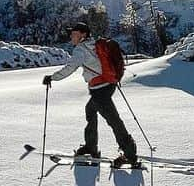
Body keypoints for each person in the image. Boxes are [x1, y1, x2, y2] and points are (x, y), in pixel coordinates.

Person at [42, 22, 140, 168]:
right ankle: (90, 146)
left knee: (114, 121)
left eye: (74, 34)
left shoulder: (80, 50)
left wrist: (52, 77)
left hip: (100, 89)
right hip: (107, 85)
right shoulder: (94, 44)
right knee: (91, 110)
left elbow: (70, 68)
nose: (71, 36)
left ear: (83, 35)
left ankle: (130, 155)